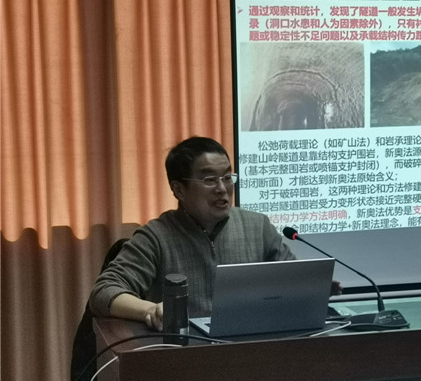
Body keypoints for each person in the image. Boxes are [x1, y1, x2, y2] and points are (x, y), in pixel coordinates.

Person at [88, 136, 342, 330]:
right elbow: (103, 292)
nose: (222, 188)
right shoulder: (156, 236)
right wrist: (152, 310)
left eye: (227, 177)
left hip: (253, 347)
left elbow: (291, 278)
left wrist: (312, 289)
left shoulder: (257, 226)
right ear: (178, 189)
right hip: (185, 356)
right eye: (209, 180)